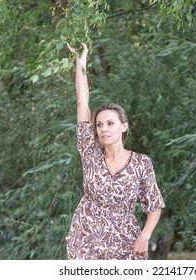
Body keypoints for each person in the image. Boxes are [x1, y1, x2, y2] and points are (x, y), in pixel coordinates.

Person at [65, 42, 165, 260]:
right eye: (99, 125)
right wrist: (80, 65)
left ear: (124, 126)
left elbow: (154, 204)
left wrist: (145, 236)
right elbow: (82, 103)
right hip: (85, 241)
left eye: (110, 124)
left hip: (125, 242)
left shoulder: (141, 163)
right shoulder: (89, 153)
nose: (103, 129)